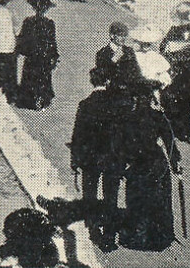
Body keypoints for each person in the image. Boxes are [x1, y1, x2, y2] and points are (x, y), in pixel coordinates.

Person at [116, 76, 182, 252]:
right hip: (156, 163)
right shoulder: (157, 116)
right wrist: (176, 163)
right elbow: (170, 141)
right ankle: (161, 236)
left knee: (138, 201)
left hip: (137, 165)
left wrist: (121, 166)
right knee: (159, 201)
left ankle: (138, 236)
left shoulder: (128, 118)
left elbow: (121, 145)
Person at [69, 82, 130, 247]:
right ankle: (109, 234)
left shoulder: (85, 104)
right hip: (112, 159)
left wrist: (74, 159)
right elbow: (124, 136)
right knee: (111, 197)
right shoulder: (119, 108)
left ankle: (94, 230)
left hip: (90, 159)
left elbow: (77, 135)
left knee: (90, 195)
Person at [159, 2, 190, 141]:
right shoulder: (175, 29)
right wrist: (172, 56)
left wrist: (176, 53)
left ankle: (183, 127)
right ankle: (173, 125)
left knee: (182, 95)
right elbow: (163, 47)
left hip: (189, 70)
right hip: (175, 68)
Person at [13, 0, 60, 110]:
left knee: (30, 77)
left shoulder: (28, 21)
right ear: (46, 9)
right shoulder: (49, 24)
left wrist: (17, 51)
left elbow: (22, 40)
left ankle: (28, 100)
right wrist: (54, 57)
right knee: (42, 78)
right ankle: (41, 100)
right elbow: (52, 43)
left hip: (32, 57)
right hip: (43, 58)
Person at [91, 21, 142, 91]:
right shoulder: (102, 53)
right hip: (111, 92)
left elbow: (135, 71)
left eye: (125, 35)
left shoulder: (129, 51)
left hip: (128, 92)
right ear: (112, 35)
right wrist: (113, 60)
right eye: (120, 35)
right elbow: (101, 75)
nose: (123, 38)